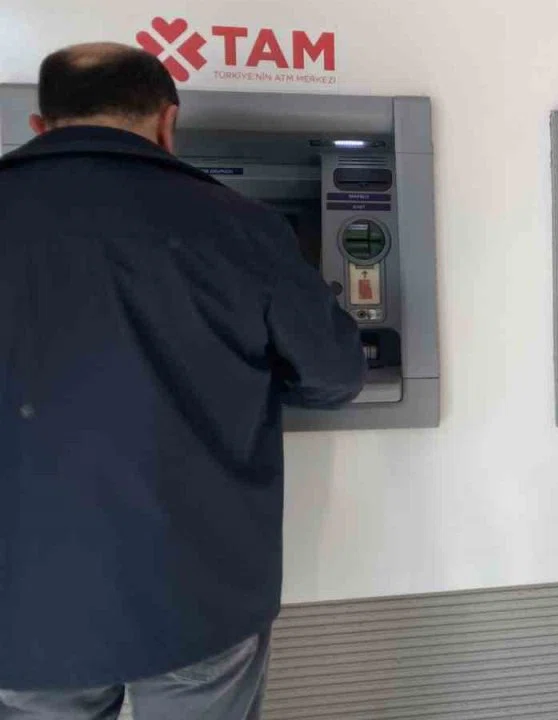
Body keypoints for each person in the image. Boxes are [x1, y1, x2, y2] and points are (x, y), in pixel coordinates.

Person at [0, 43, 366, 719]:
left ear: (40, 125)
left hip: (19, 602)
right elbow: (336, 374)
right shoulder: (241, 225)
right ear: (169, 121)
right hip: (194, 591)